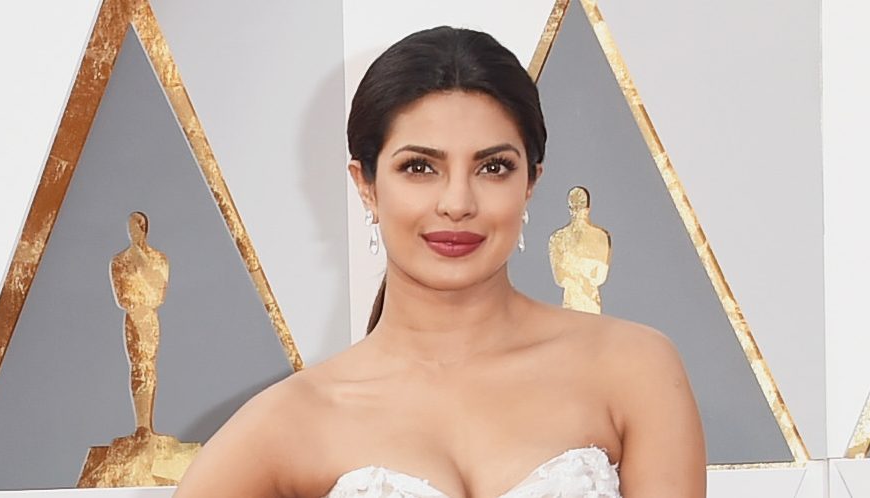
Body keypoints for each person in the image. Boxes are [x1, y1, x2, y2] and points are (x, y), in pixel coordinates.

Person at [174, 26, 704, 497]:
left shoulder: (634, 369)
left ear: (531, 183)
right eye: (419, 167)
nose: (457, 202)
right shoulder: (293, 419)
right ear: (366, 185)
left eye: (493, 167)